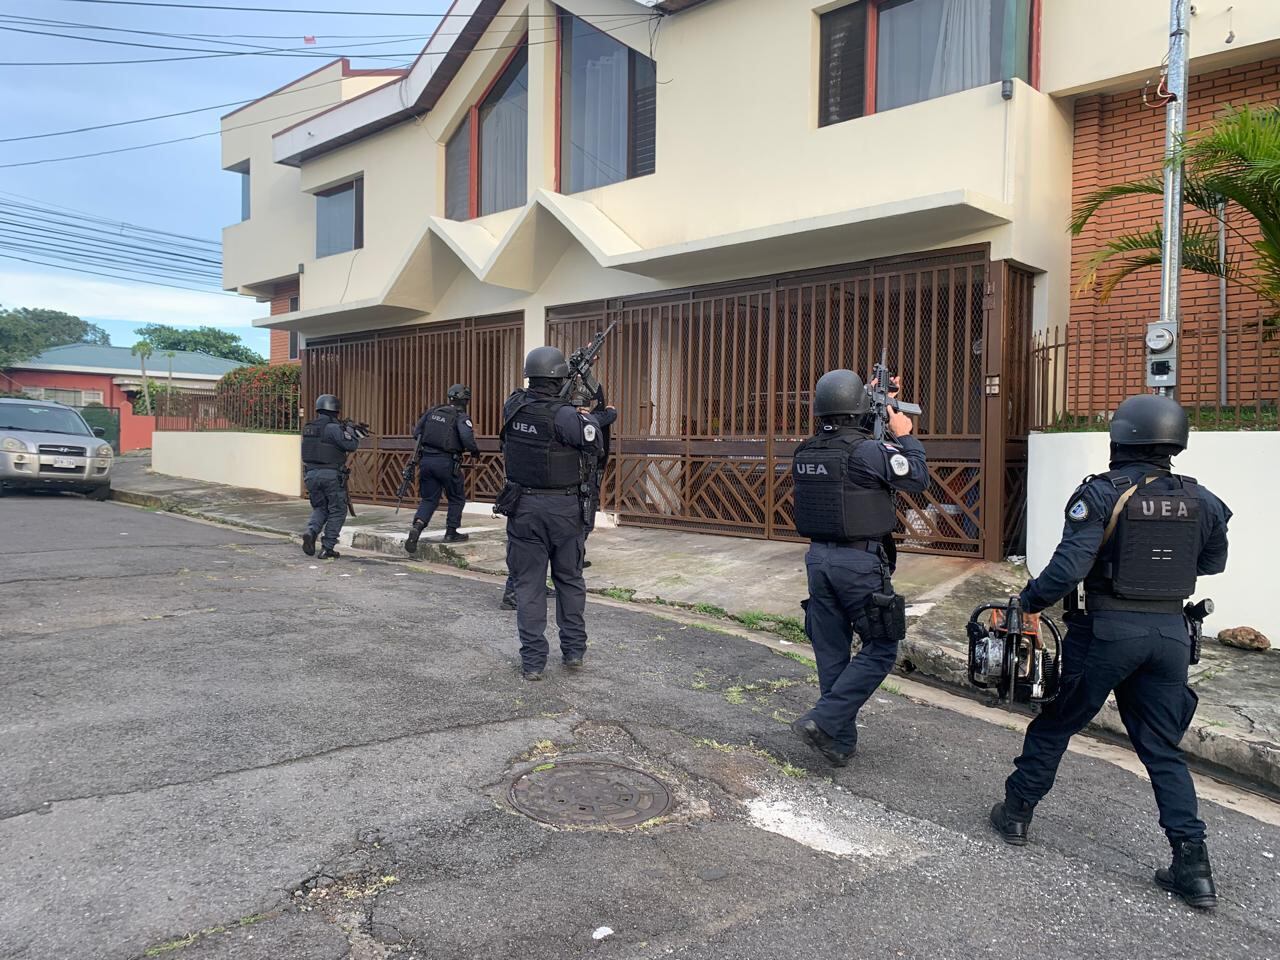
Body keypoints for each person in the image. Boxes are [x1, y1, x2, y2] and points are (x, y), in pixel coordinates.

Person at [988, 394, 1230, 912]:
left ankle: (1015, 814)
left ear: (1121, 438)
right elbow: (1213, 562)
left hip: (1106, 631)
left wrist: (1027, 603)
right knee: (1163, 749)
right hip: (1169, 634)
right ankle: (1194, 865)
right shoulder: (1202, 499)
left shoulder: (1101, 494)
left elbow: (1068, 567)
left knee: (1057, 724)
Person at [788, 369, 927, 766]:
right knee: (882, 647)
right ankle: (824, 719)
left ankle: (837, 741)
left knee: (832, 653)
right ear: (860, 409)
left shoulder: (807, 451)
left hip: (818, 561)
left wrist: (873, 401)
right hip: (859, 564)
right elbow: (916, 476)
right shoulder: (868, 453)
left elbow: (849, 437)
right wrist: (905, 434)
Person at [499, 346, 605, 681]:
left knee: (528, 585)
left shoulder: (513, 406)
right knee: (569, 580)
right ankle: (573, 651)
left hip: (523, 508)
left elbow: (530, 406)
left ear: (530, 375)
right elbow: (594, 446)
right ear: (561, 378)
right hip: (563, 509)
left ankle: (532, 662)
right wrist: (582, 387)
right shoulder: (568, 416)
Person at [405, 384, 480, 554]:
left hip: (426, 462)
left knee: (429, 499)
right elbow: (467, 438)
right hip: (446, 463)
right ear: (465, 400)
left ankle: (417, 526)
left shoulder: (432, 412)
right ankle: (451, 532)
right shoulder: (460, 416)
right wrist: (475, 451)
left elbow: (416, 433)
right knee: (456, 497)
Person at [301, 394, 361, 560]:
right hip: (331, 475)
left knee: (320, 508)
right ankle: (327, 547)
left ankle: (311, 532)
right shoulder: (334, 428)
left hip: (311, 475)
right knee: (337, 511)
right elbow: (352, 445)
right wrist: (352, 432)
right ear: (335, 410)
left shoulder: (309, 427)